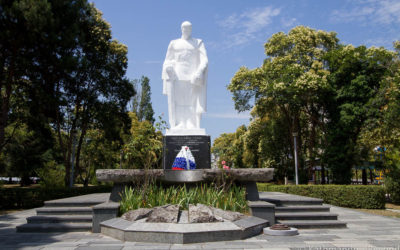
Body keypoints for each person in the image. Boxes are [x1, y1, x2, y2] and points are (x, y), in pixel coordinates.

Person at [162, 21, 208, 135]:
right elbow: (167, 60)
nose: (186, 31)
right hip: (177, 75)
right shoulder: (174, 43)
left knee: (191, 101)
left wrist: (199, 71)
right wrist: (168, 68)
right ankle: (180, 123)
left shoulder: (198, 43)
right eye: (184, 29)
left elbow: (205, 60)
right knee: (178, 101)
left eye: (189, 29)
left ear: (191, 29)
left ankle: (191, 123)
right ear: (181, 29)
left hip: (193, 76)